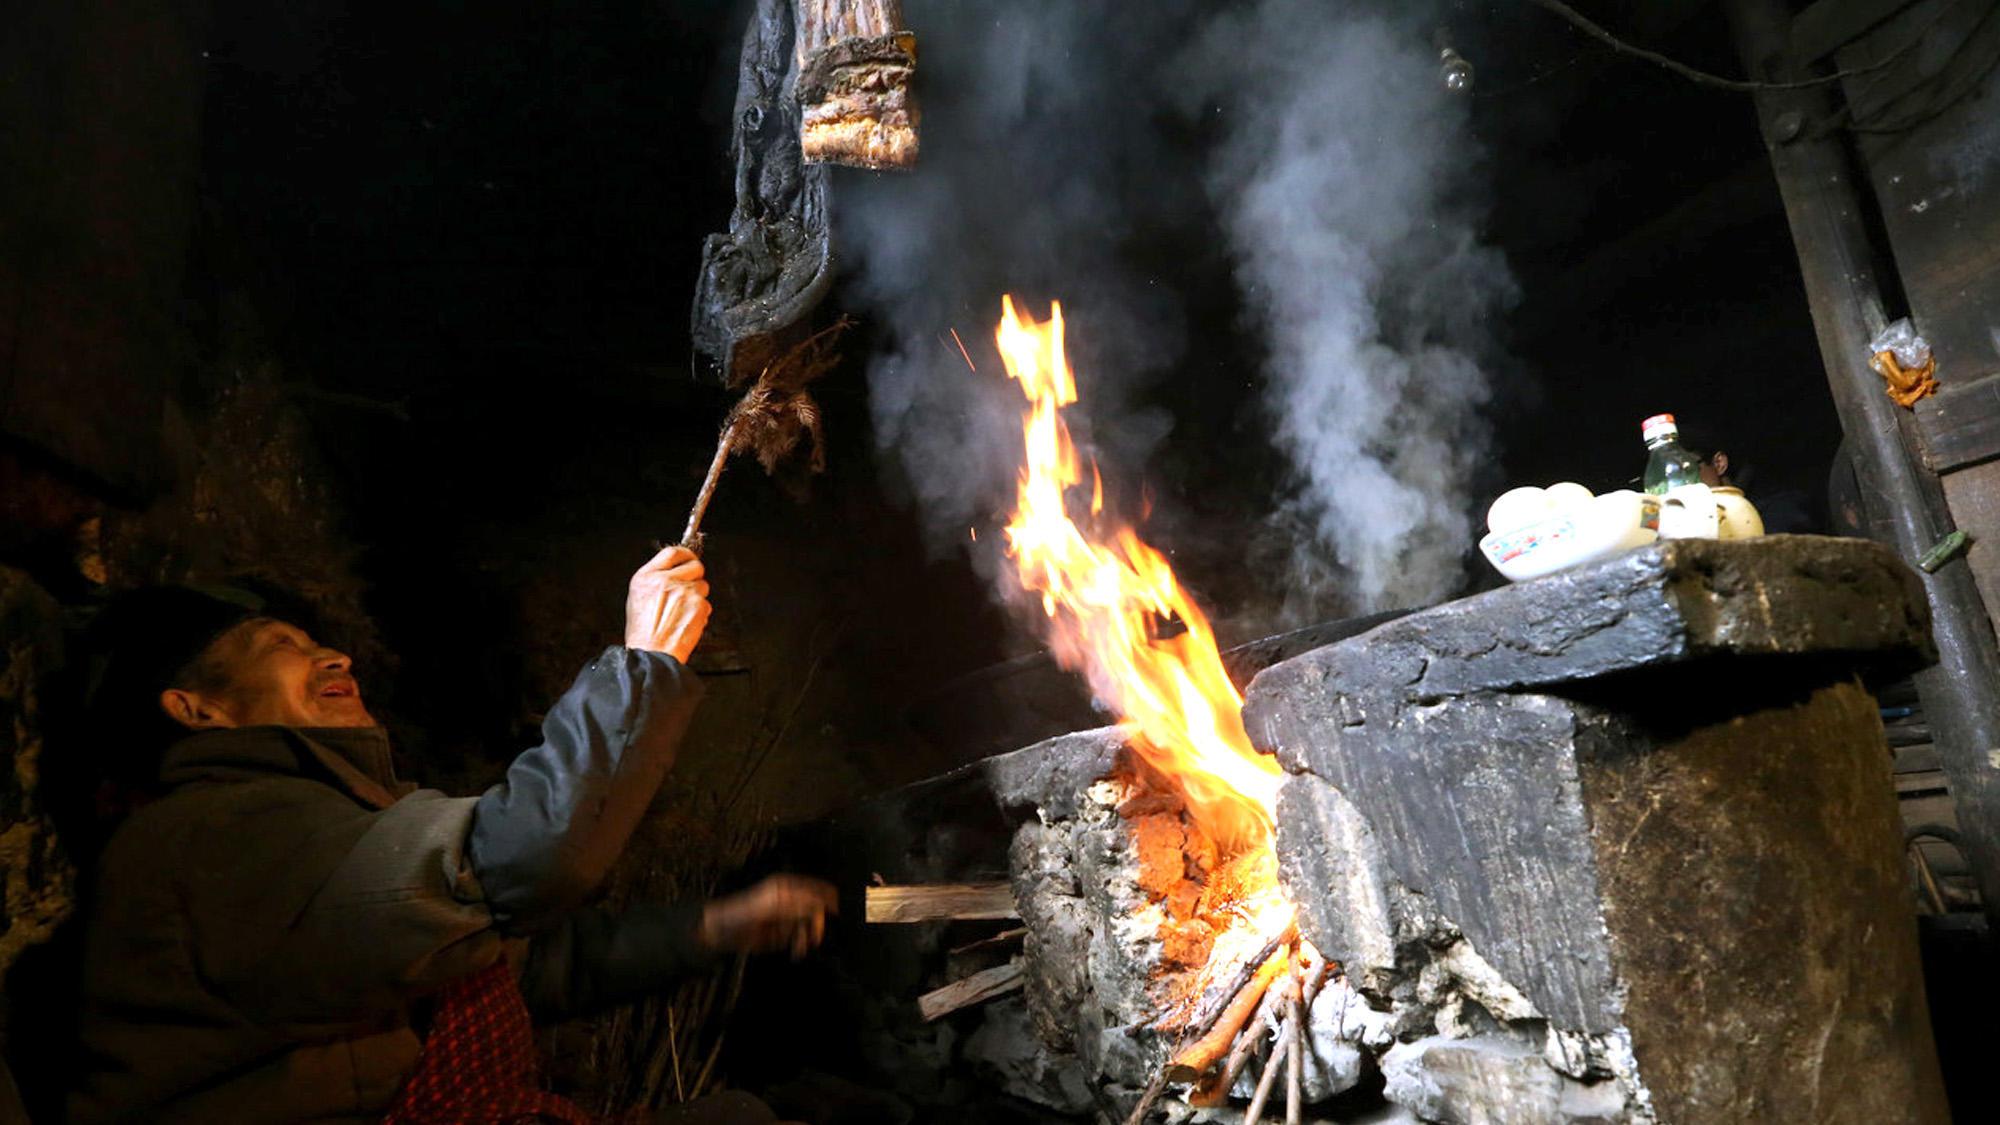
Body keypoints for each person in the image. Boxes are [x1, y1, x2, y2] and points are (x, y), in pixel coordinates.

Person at [67, 546, 834, 1123]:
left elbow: (509, 968)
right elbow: (524, 857)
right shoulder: (209, 838)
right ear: (196, 708)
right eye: (280, 646)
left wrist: (714, 926)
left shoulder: (319, 818)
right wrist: (645, 662)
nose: (334, 655)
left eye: (318, 641)